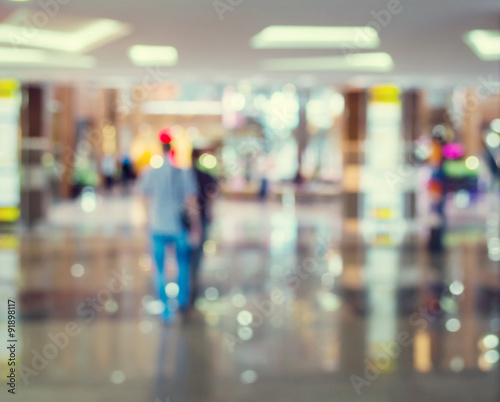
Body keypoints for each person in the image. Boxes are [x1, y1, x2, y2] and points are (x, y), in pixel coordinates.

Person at [139, 141, 201, 322]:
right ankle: (182, 301)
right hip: (178, 226)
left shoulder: (151, 172)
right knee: (182, 264)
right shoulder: (182, 172)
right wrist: (195, 224)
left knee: (160, 269)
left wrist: (146, 218)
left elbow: (143, 196)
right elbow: (191, 201)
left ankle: (165, 309)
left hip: (158, 226)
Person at [189, 149, 218, 306]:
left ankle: (189, 275)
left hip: (185, 220)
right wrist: (211, 211)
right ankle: (194, 274)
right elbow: (212, 194)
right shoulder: (205, 176)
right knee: (199, 248)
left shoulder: (184, 175)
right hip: (202, 217)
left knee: (188, 249)